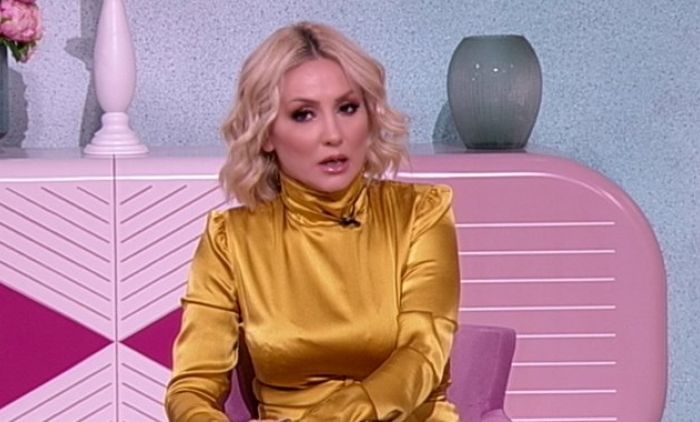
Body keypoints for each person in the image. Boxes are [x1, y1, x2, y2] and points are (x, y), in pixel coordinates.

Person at [165, 21, 461, 422]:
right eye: (304, 114)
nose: (333, 134)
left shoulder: (421, 213)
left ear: (370, 116)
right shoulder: (230, 239)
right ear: (266, 133)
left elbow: (423, 353)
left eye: (348, 108)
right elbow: (192, 386)